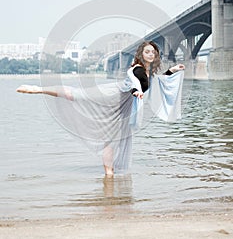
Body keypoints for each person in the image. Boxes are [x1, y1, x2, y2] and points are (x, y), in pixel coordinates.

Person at [17, 41, 185, 177]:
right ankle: (38, 89)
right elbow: (133, 82)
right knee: (76, 94)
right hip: (113, 96)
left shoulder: (148, 72)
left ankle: (109, 174)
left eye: (153, 52)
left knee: (112, 139)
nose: (150, 54)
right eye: (147, 52)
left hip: (123, 106)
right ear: (141, 54)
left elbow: (158, 81)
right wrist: (136, 93)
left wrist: (173, 70)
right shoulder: (137, 69)